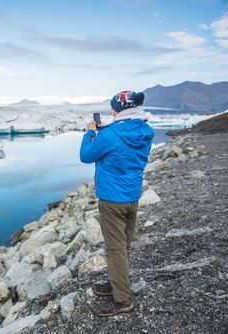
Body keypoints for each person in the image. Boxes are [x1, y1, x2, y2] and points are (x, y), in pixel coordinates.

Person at [79, 90, 154, 316]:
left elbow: (86, 155)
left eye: (114, 108)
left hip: (112, 200)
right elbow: (123, 144)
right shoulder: (145, 130)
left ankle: (122, 300)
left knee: (115, 249)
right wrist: (105, 133)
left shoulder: (109, 134)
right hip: (132, 197)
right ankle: (115, 282)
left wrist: (90, 133)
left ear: (120, 109)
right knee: (124, 246)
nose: (111, 112)